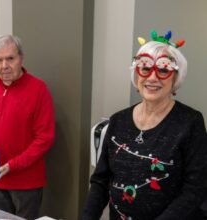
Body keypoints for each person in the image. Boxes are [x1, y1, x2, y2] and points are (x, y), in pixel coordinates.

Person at [82, 30, 207, 220]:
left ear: (175, 78)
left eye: (164, 69)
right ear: (136, 74)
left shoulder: (190, 122)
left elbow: (195, 189)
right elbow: (101, 181)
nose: (153, 77)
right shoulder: (118, 121)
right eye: (145, 68)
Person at [0, 34, 55, 219]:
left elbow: (44, 139)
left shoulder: (38, 90)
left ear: (21, 58)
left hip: (26, 183)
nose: (4, 66)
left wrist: (13, 165)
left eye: (10, 58)